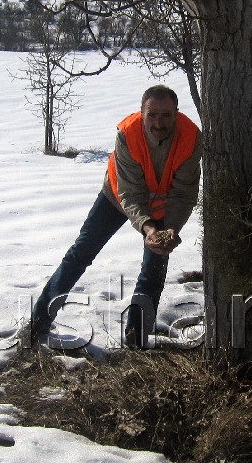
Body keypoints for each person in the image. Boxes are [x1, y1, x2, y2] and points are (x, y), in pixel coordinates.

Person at [28, 85, 202, 348]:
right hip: (117, 198)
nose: (158, 122)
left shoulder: (190, 137)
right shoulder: (128, 134)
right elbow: (130, 194)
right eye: (152, 115)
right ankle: (38, 322)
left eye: (166, 115)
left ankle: (136, 338)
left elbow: (184, 193)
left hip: (165, 205)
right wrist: (148, 228)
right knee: (81, 253)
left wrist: (171, 230)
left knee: (153, 271)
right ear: (141, 113)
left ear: (176, 113)